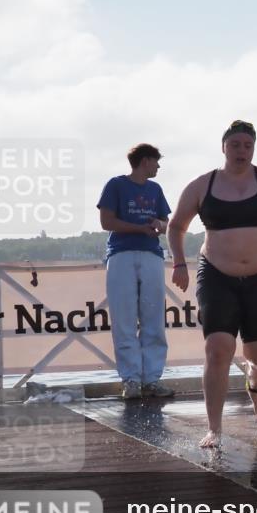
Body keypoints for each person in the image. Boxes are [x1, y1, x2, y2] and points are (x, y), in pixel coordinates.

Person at [168, 120, 257, 448]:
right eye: (235, 145)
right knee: (217, 349)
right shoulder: (202, 185)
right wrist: (178, 262)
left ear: (254, 149)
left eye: (247, 145)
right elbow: (176, 227)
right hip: (216, 274)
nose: (241, 151)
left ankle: (255, 388)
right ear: (223, 148)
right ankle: (214, 429)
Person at [97, 144, 174, 400]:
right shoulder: (116, 185)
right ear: (145, 161)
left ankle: (151, 379)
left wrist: (158, 225)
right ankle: (131, 380)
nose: (158, 167)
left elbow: (167, 225)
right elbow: (107, 222)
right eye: (156, 161)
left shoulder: (155, 190)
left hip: (151, 255)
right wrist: (137, 228)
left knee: (153, 318)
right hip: (121, 254)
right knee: (124, 318)